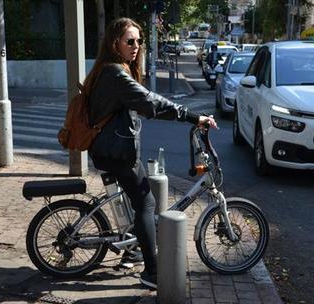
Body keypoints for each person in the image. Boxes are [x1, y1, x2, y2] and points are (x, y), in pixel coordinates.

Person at [84, 18, 217, 289]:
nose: (136, 46)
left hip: (111, 149)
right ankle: (152, 272)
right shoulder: (115, 74)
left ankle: (134, 247)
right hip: (116, 153)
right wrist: (194, 117)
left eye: (138, 41)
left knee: (140, 199)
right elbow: (150, 102)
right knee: (146, 203)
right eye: (129, 41)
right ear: (115, 44)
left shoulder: (109, 70)